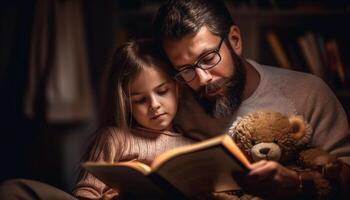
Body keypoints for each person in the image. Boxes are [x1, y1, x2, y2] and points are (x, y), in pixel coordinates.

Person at [152, 0, 350, 199]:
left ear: (235, 40)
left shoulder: (308, 92)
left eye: (209, 58)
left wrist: (297, 182)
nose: (203, 79)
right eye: (185, 70)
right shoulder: (175, 104)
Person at [0, 39, 195, 200]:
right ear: (126, 104)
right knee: (12, 189)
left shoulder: (192, 147)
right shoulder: (116, 138)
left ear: (177, 88)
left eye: (162, 91)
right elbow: (86, 191)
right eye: (140, 100)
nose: (154, 104)